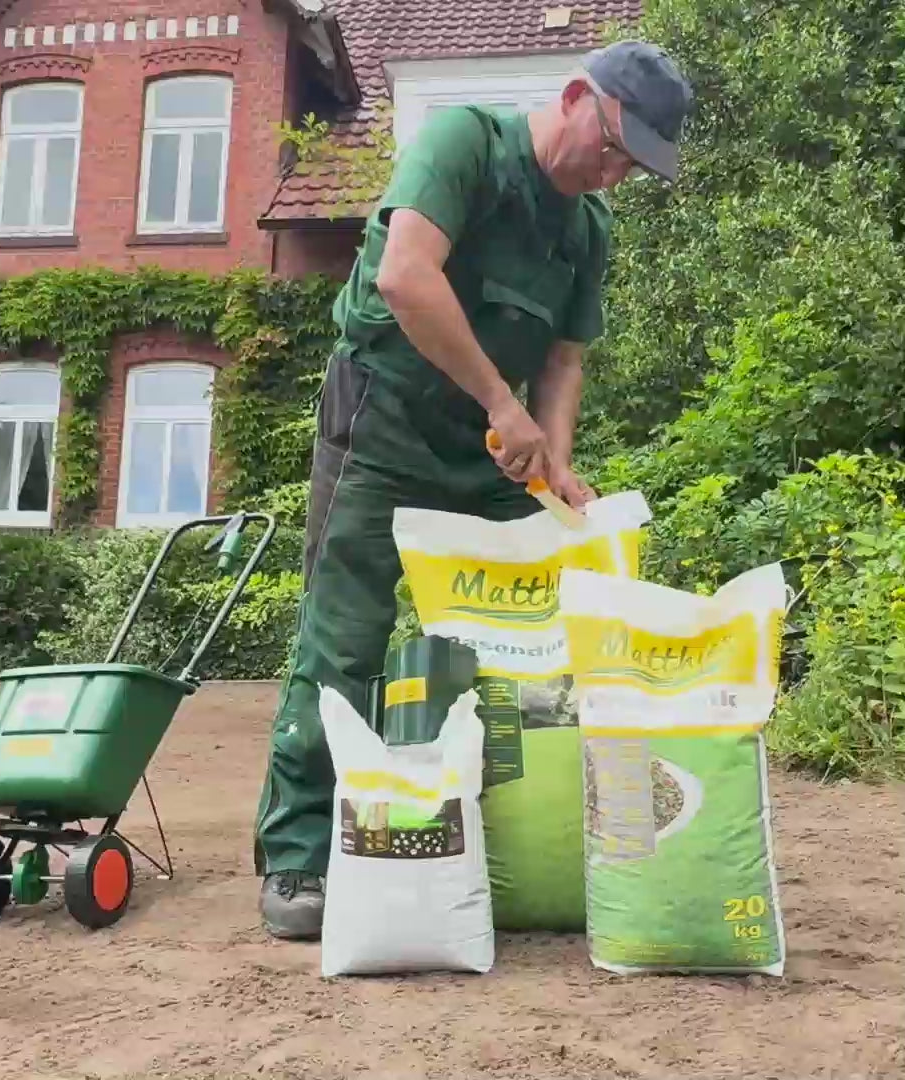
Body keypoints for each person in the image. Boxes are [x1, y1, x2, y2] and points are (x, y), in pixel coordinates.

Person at [252, 39, 694, 940]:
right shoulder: (464, 144)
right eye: (612, 147)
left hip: (492, 451)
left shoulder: (588, 228)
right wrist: (502, 403)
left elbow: (563, 359)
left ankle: (506, 832)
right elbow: (404, 275)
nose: (613, 173)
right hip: (382, 417)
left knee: (531, 640)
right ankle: (298, 854)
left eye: (634, 167)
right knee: (345, 636)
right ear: (574, 97)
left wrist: (556, 459)